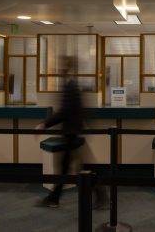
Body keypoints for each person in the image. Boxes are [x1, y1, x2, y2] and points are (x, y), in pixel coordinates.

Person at [35, 55, 105, 208]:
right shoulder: (72, 85)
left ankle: (99, 196)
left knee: (72, 167)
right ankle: (55, 198)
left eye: (62, 66)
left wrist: (45, 124)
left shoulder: (70, 86)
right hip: (74, 132)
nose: (59, 69)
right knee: (72, 167)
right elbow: (78, 109)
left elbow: (65, 111)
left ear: (68, 68)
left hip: (72, 133)